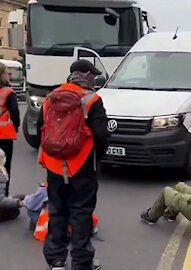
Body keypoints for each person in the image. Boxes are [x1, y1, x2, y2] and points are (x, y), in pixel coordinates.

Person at [37, 59, 110, 270]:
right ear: (87, 75)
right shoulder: (91, 100)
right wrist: (99, 157)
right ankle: (81, 262)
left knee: (57, 212)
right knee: (81, 215)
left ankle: (56, 261)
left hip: (54, 167)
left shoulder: (51, 98)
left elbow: (41, 128)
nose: (94, 80)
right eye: (93, 76)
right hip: (82, 167)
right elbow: (102, 135)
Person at [0, 62, 20, 197]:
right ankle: (3, 197)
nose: (10, 75)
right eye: (8, 72)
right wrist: (16, 128)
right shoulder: (8, 92)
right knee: (4, 167)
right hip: (4, 136)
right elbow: (15, 114)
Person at [0, 148, 22, 222]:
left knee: (19, 198)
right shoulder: (1, 177)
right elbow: (1, 200)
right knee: (15, 210)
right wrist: (17, 203)